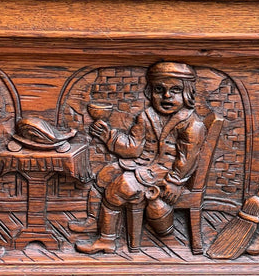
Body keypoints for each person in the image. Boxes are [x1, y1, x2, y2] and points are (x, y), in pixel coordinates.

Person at [76, 61, 206, 254]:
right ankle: (95, 222)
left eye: (175, 90)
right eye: (159, 90)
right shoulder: (146, 116)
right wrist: (108, 135)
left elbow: (188, 158)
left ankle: (107, 240)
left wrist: (175, 182)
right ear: (149, 92)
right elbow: (133, 148)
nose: (167, 96)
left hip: (165, 175)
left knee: (120, 187)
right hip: (143, 166)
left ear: (187, 93)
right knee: (104, 175)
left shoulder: (192, 124)